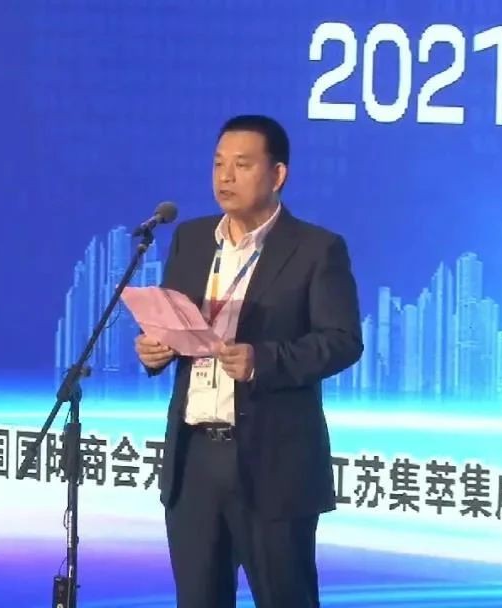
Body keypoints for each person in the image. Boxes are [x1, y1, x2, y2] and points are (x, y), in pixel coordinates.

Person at [134, 114, 364, 608]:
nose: (225, 177)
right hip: (194, 460)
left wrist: (263, 361)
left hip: (272, 463)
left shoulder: (316, 249)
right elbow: (175, 323)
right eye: (218, 164)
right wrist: (155, 350)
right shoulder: (192, 239)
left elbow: (343, 341)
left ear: (278, 174)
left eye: (241, 165)